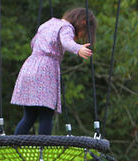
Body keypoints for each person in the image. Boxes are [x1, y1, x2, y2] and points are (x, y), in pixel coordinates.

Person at [11, 8, 96, 136]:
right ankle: (43, 151)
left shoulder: (47, 24)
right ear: (83, 22)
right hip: (45, 72)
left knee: (29, 116)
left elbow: (33, 43)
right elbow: (67, 42)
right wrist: (78, 49)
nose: (80, 37)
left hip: (29, 66)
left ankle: (14, 146)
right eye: (83, 33)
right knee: (46, 114)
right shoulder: (66, 27)